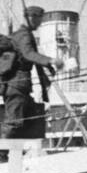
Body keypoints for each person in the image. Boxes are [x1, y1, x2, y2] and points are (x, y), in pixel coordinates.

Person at [4, 7, 58, 139]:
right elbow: (29, 54)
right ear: (32, 18)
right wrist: (50, 60)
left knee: (32, 117)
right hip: (17, 85)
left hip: (20, 85)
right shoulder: (24, 35)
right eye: (39, 20)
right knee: (13, 121)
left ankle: (22, 153)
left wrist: (47, 73)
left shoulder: (20, 34)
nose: (40, 24)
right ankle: (2, 157)